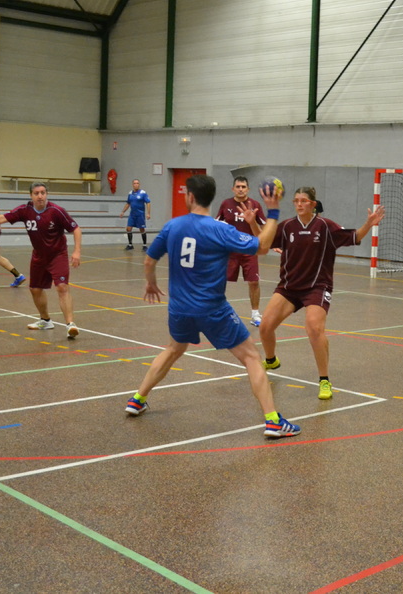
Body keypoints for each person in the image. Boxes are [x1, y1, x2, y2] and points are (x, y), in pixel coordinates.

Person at [124, 175, 300, 438]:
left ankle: (138, 399)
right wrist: (273, 211)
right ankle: (273, 421)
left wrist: (151, 284)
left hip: (179, 309)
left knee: (173, 349)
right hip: (212, 309)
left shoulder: (173, 226)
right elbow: (263, 247)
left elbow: (149, 261)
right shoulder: (220, 230)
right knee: (252, 358)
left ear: (190, 197)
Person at [258, 187, 385, 400]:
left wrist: (368, 224)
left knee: (314, 329)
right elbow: (264, 242)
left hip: (317, 287)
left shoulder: (325, 226)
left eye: (304, 201)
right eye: (296, 201)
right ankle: (271, 360)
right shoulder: (287, 226)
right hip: (289, 287)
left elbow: (354, 237)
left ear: (313, 204)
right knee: (265, 327)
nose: (299, 204)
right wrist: (252, 223)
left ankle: (324, 380)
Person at [0, 182, 82, 338]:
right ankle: (45, 321)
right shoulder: (25, 210)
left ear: (46, 194)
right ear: (31, 195)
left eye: (43, 193)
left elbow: (76, 229)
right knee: (35, 289)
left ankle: (70, 325)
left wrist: (76, 251)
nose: (40, 196)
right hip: (39, 256)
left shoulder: (56, 211)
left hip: (57, 255)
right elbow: (1, 218)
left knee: (62, 287)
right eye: (36, 193)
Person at [215, 176, 267, 326]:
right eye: (238, 186)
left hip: (249, 250)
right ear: (233, 189)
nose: (240, 189)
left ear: (248, 189)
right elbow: (217, 225)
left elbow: (264, 227)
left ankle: (255, 314)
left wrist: (270, 241)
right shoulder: (226, 204)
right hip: (230, 251)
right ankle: (216, 310)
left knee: (254, 282)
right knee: (220, 281)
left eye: (243, 187)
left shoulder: (255, 205)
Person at [120, 179, 151, 250]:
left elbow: (148, 203)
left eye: (137, 183)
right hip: (132, 214)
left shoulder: (143, 193)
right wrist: (123, 211)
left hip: (140, 214)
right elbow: (128, 203)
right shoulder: (130, 193)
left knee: (142, 229)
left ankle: (144, 245)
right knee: (128, 228)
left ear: (139, 185)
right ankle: (130, 244)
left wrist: (148, 213)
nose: (136, 184)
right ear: (132, 185)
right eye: (134, 183)